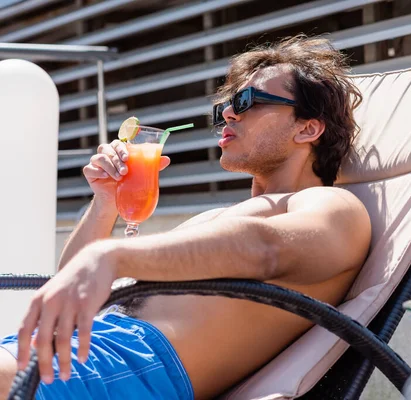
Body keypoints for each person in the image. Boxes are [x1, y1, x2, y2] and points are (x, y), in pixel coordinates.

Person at [0, 35, 371, 400]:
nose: (228, 112)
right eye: (226, 104)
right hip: (65, 348)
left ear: (308, 127)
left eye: (248, 101)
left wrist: (112, 257)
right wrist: (105, 203)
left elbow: (267, 247)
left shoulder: (333, 205)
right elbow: (69, 281)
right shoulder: (219, 219)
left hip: (126, 364)